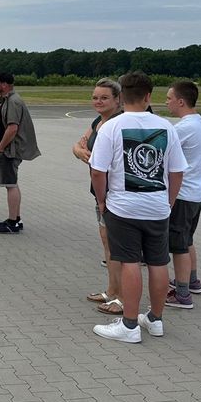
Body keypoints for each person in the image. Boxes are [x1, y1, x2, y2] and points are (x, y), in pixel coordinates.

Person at [89, 72, 187, 343]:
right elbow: (177, 171)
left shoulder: (111, 127)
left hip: (123, 207)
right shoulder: (166, 127)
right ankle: (155, 319)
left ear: (122, 97)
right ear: (147, 96)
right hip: (157, 206)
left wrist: (102, 200)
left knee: (129, 261)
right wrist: (169, 200)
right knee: (158, 262)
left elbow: (98, 171)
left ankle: (130, 325)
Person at [72, 78, 124, 315]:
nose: (98, 101)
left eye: (104, 98)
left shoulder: (116, 123)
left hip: (112, 192)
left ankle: (121, 297)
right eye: (95, 97)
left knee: (116, 245)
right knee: (107, 243)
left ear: (117, 99)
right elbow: (78, 145)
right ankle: (111, 290)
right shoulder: (98, 121)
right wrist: (80, 150)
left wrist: (85, 153)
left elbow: (101, 160)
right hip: (100, 191)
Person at [164, 80, 201, 308]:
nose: (167, 102)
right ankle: (191, 280)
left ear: (181, 101)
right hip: (197, 193)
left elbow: (162, 150)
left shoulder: (183, 128)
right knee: (187, 239)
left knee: (178, 245)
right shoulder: (200, 123)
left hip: (183, 194)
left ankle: (182, 294)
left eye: (169, 98)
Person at [0, 72, 41, 234]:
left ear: (3, 84)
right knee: (12, 183)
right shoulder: (7, 100)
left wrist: (0, 148)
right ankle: (15, 218)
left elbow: (12, 128)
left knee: (10, 184)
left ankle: (12, 222)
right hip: (9, 150)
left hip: (10, 151)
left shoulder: (12, 101)